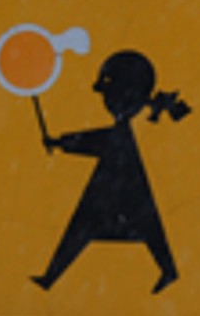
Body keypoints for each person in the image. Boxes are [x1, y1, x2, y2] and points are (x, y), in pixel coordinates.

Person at [30, 49, 184, 295]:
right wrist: (63, 142)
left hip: (115, 190)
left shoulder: (120, 134)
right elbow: (101, 141)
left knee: (85, 227)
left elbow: (100, 141)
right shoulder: (122, 131)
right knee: (144, 228)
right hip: (120, 189)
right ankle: (50, 278)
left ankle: (51, 278)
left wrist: (62, 142)